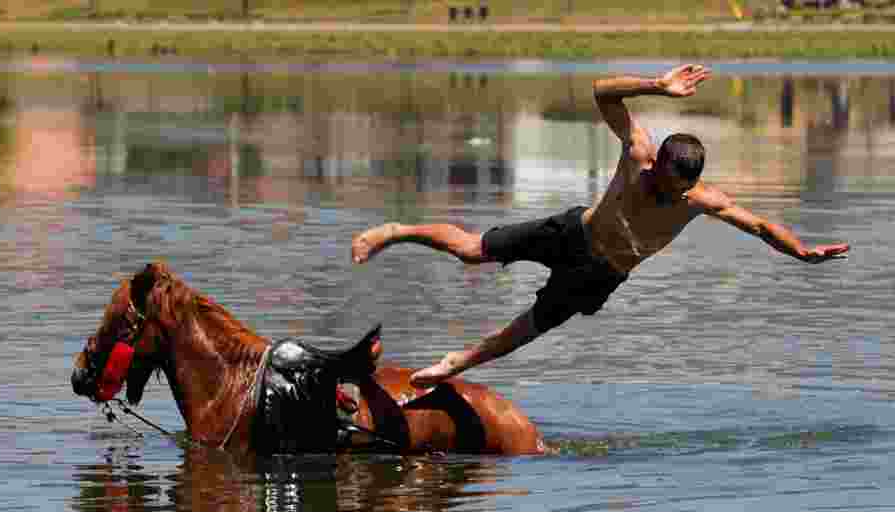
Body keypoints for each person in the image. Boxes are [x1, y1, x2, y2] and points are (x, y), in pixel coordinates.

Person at [350, 64, 850, 389]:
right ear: (657, 165)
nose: (667, 193)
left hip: (601, 274)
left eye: (678, 190)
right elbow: (601, 93)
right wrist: (655, 86)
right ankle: (396, 231)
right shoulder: (639, 155)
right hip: (572, 232)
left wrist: (800, 251)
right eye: (663, 182)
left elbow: (760, 225)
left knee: (528, 328)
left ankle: (457, 363)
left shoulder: (700, 200)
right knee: (473, 250)